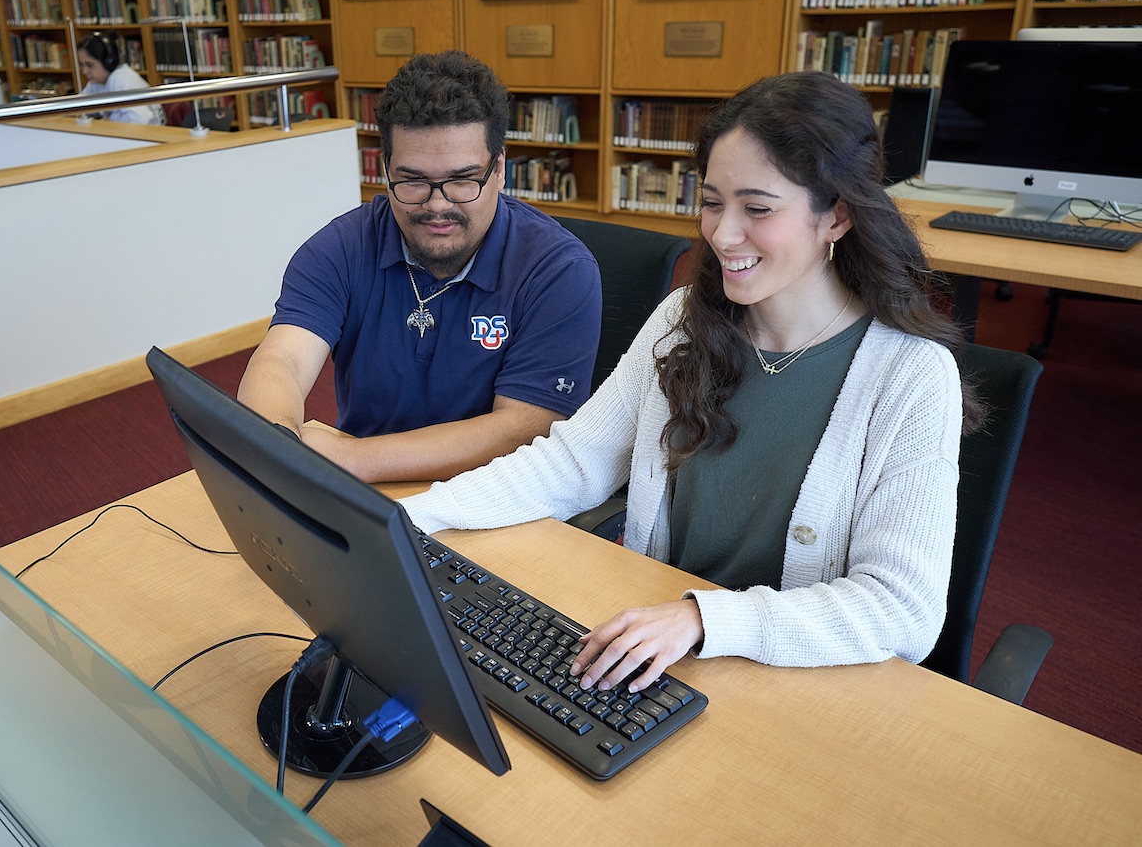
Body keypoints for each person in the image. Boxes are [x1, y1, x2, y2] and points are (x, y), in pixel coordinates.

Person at [400, 70, 982, 693]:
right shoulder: (683, 319)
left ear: (836, 215)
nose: (722, 234)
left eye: (757, 208)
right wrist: (413, 518)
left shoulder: (911, 377)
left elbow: (904, 611)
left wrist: (703, 620)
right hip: (660, 655)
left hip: (791, 677)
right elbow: (574, 462)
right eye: (712, 202)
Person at [237, 50, 602, 484]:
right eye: (413, 181)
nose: (437, 205)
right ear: (385, 170)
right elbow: (282, 360)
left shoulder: (559, 269)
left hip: (495, 494)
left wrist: (354, 459)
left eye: (462, 180)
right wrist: (277, 442)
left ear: (500, 169)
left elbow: (524, 426)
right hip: (365, 495)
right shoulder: (340, 247)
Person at [75, 34, 164, 125]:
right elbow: (79, 106)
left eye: (90, 65)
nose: (85, 71)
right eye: (82, 65)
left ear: (109, 61)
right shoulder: (96, 82)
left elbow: (139, 120)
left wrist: (105, 121)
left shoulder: (121, 79)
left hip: (147, 135)